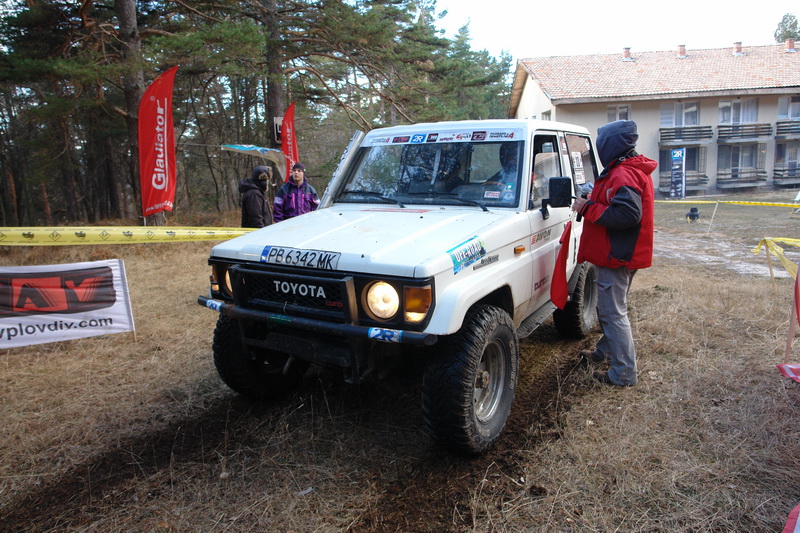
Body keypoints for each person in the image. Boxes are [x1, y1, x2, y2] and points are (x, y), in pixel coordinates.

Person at [571, 120, 656, 387]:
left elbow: (628, 214)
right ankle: (605, 352)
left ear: (609, 145)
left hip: (617, 255)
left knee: (612, 313)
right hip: (622, 252)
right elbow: (617, 204)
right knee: (611, 307)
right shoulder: (626, 169)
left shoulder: (623, 174)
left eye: (601, 143)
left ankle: (623, 374)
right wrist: (594, 200)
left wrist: (586, 208)